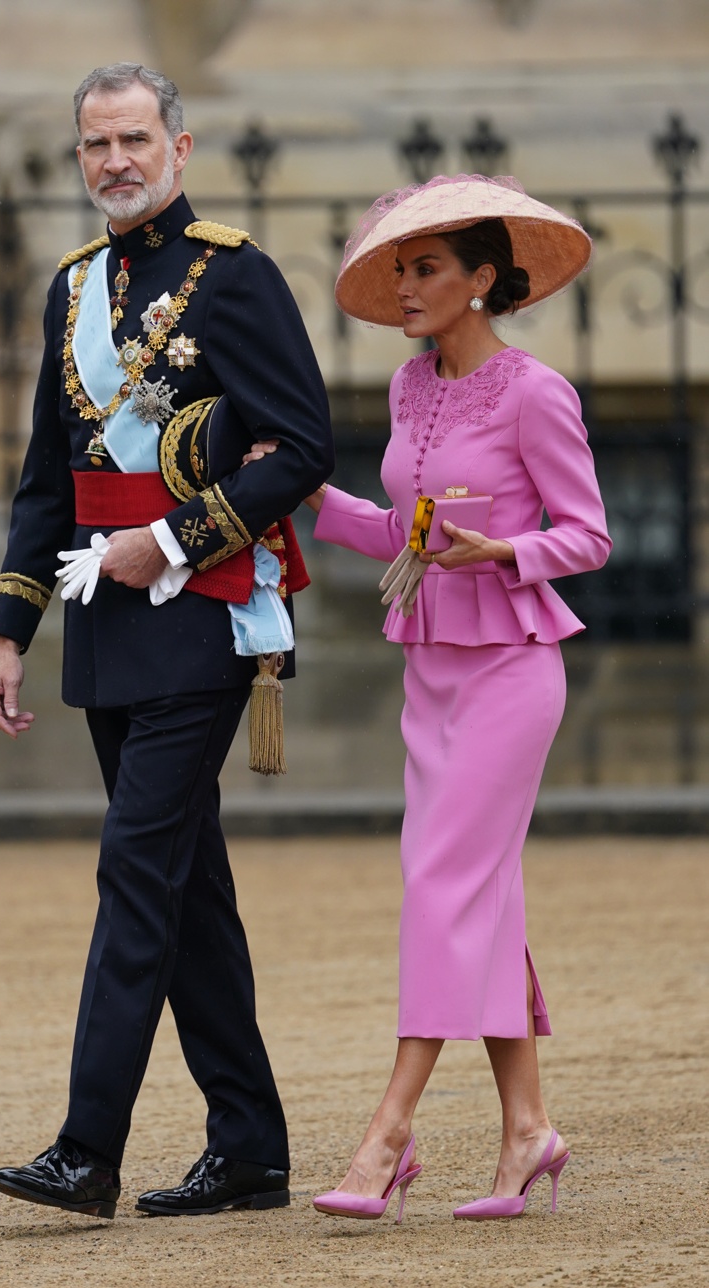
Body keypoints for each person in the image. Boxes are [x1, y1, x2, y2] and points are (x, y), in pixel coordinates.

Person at [0, 62, 334, 1221]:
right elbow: (48, 480)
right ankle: (252, 1147)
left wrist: (173, 541)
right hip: (101, 628)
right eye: (96, 145)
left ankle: (88, 1148)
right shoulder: (73, 286)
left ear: (180, 148)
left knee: (134, 871)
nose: (115, 162)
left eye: (135, 139)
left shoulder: (236, 278)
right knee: (187, 892)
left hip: (202, 621)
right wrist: (6, 631)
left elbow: (302, 446)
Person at [254, 174, 611, 1222]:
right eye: (400, 270)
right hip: (430, 669)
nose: (405, 287)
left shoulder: (538, 391)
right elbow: (404, 532)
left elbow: (589, 535)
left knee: (441, 884)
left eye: (426, 269)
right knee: (475, 891)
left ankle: (387, 1132)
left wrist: (506, 546)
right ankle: (526, 1128)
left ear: (484, 280)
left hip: (511, 667)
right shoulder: (411, 392)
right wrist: (310, 493)